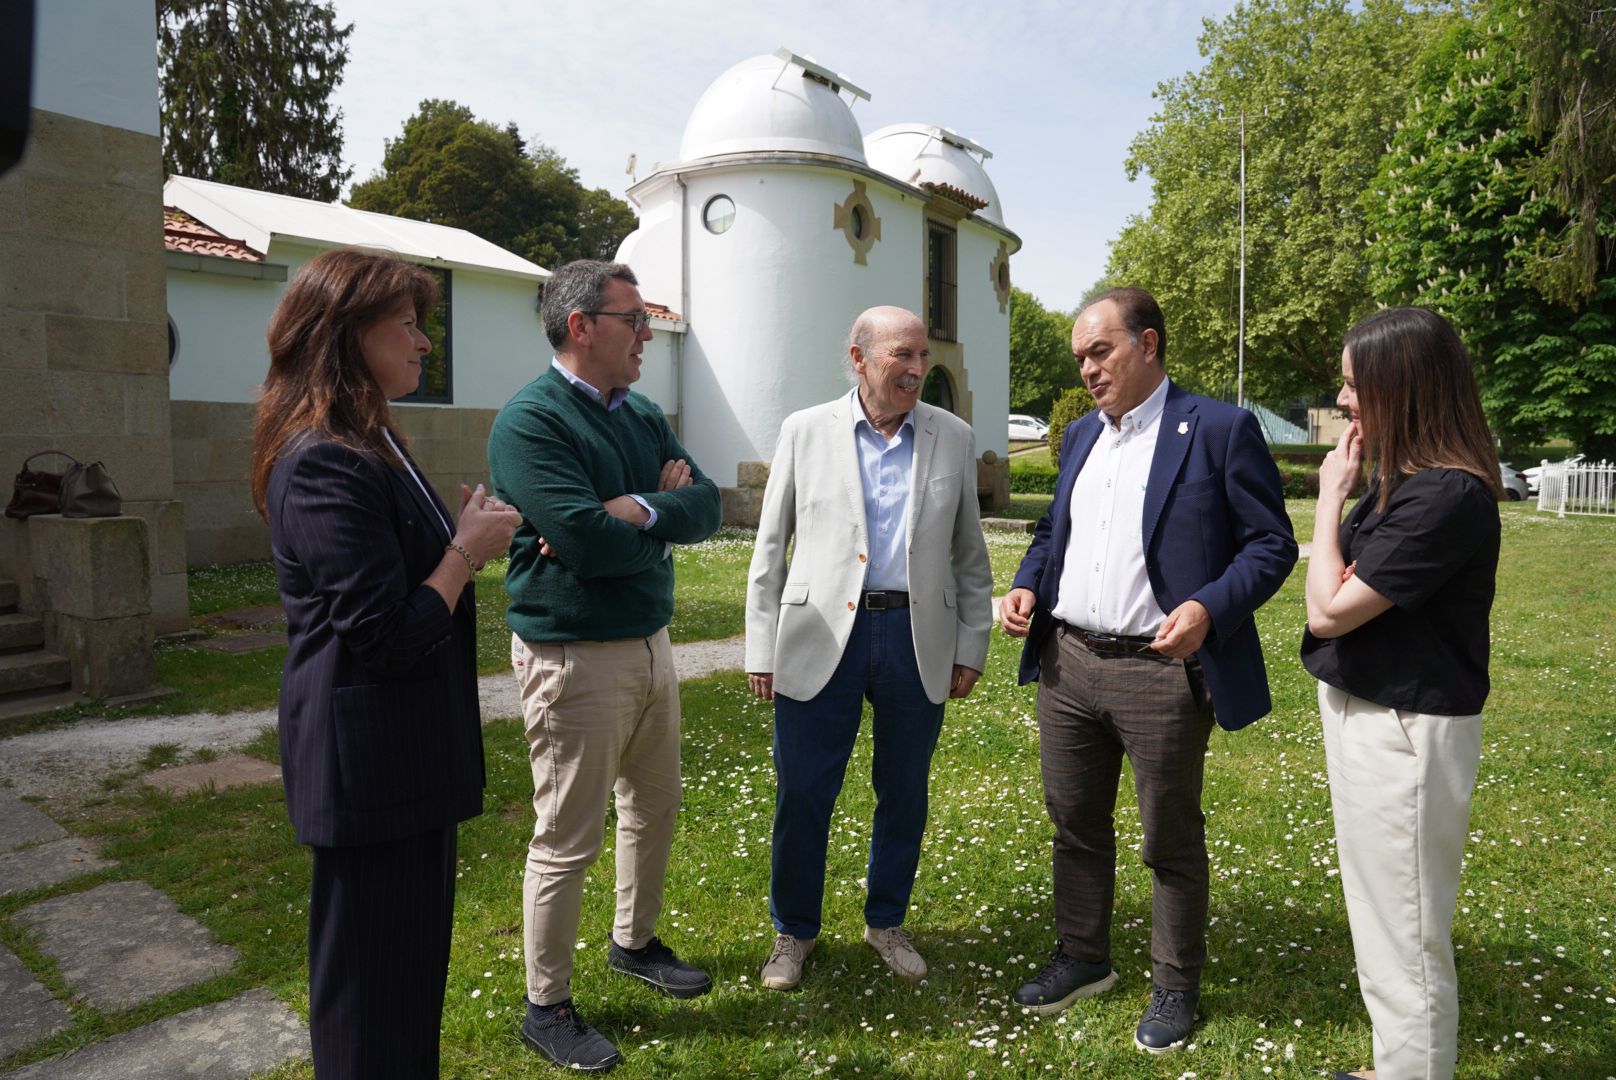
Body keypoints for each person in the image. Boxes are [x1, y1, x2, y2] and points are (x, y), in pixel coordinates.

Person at [999, 286, 1296, 1053]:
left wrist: (1208, 609)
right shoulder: (1077, 438)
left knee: (1168, 837)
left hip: (1160, 671)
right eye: (1080, 358)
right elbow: (1051, 529)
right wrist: (1030, 579)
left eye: (1101, 351)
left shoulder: (1218, 430)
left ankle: (1174, 985)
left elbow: (1270, 544)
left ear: (1149, 343)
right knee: (1075, 825)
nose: (1088, 369)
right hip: (1069, 664)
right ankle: (1084, 956)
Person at [251, 247, 521, 1079]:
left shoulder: (373, 438)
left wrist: (454, 540)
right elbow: (384, 633)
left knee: (406, 988)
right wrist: (464, 555)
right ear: (345, 334)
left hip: (406, 760)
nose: (423, 343)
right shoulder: (322, 457)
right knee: (370, 1002)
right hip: (367, 773)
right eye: (405, 324)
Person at [487, 259, 722, 1073]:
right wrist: (636, 522)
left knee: (654, 807)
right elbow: (579, 543)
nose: (648, 335)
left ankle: (634, 941)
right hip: (573, 655)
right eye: (634, 320)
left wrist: (638, 508)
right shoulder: (530, 422)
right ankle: (545, 1005)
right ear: (581, 326)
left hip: (650, 643)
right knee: (568, 836)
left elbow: (711, 506)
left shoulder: (644, 412)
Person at [744, 306, 993, 991]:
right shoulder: (804, 431)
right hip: (821, 635)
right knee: (803, 791)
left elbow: (970, 556)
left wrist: (972, 642)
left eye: (921, 355)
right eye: (900, 357)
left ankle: (886, 921)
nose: (916, 369)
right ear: (858, 359)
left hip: (917, 636)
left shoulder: (953, 435)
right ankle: (792, 933)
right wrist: (759, 648)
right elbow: (770, 550)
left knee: (904, 790)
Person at [1302, 307, 1502, 1080]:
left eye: (1354, 384)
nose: (1344, 399)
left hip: (1405, 733)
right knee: (1383, 919)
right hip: (1373, 716)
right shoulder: (1409, 485)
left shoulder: (1446, 497)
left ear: (1401, 386)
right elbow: (1340, 590)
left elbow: (1327, 608)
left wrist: (1328, 499)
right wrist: (1344, 573)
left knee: (1406, 937)